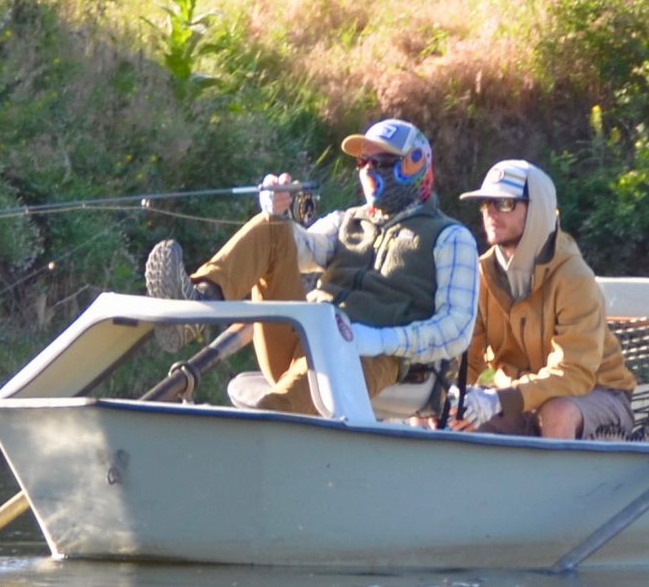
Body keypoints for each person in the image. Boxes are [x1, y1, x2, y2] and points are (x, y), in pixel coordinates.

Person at [145, 118, 479, 417]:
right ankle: (197, 306)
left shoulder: (450, 238)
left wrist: (377, 340)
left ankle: (243, 451)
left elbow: (455, 330)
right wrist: (279, 211)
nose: (369, 170)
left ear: (414, 165)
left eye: (381, 162)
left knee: (273, 412)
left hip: (368, 358)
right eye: (364, 161)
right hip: (303, 333)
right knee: (273, 228)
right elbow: (300, 250)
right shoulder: (345, 220)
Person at [454, 159, 639, 439]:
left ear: (537, 209)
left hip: (596, 395)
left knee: (557, 412)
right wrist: (449, 393)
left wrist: (499, 400)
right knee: (444, 411)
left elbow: (573, 373)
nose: (490, 212)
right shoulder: (481, 274)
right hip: (519, 400)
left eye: (504, 203)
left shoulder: (574, 277)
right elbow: (465, 359)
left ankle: (560, 484)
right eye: (485, 203)